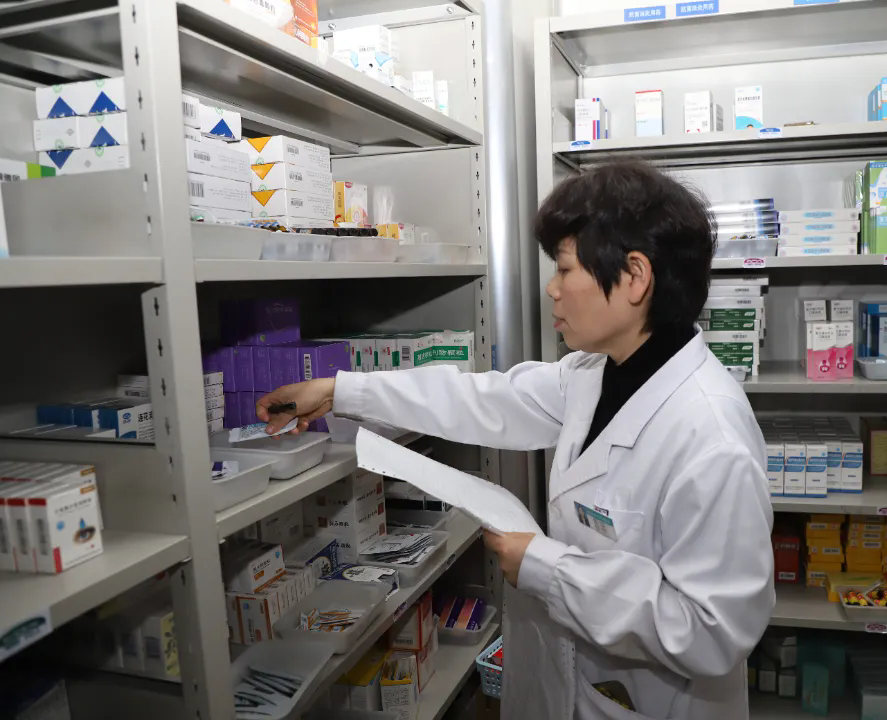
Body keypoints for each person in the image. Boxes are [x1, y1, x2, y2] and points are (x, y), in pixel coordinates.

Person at [256, 162, 775, 720]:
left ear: (634, 276)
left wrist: (547, 567)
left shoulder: (711, 436)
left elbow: (712, 630)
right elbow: (480, 399)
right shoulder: (595, 373)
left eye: (566, 268)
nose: (552, 288)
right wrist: (340, 390)